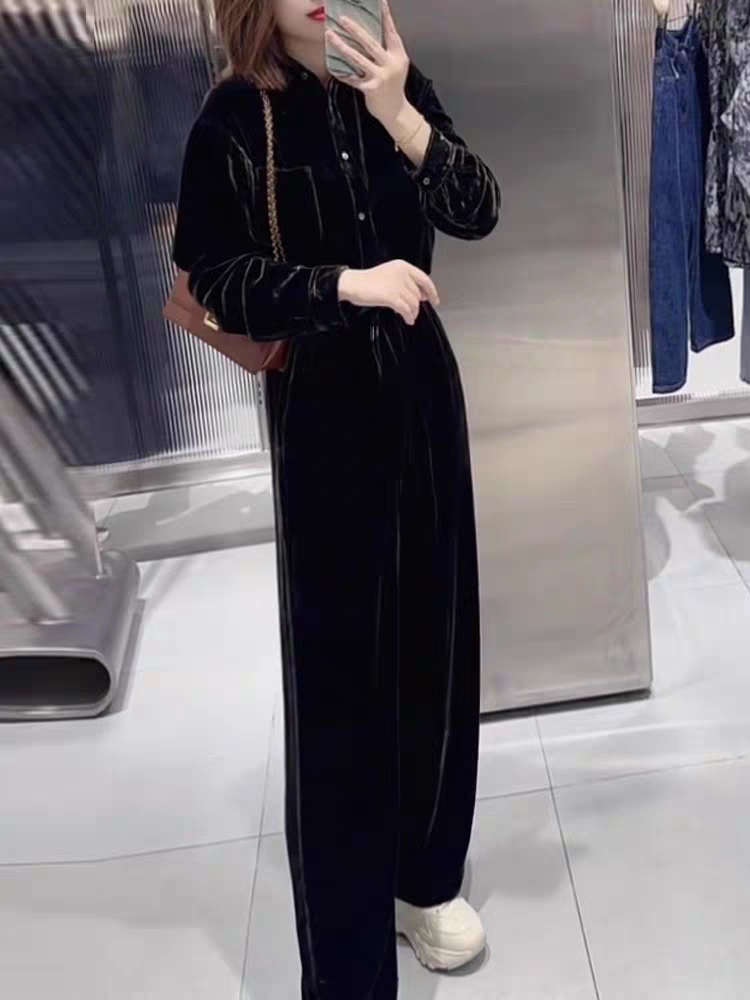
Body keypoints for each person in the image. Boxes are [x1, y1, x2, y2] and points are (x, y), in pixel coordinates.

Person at [172, 0, 500, 995]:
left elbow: (477, 209)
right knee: (341, 681)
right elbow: (216, 279)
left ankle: (424, 879)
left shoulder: (397, 85)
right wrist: (343, 286)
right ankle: (350, 965)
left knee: (438, 643)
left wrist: (402, 114)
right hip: (323, 409)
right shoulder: (237, 115)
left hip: (424, 393)